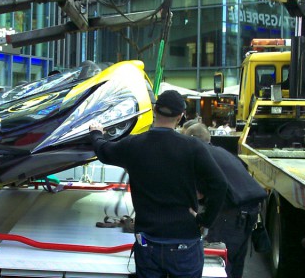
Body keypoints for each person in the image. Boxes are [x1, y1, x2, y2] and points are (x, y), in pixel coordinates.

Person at [89, 90, 227, 278]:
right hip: (184, 241)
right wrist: (204, 220)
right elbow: (220, 185)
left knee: (145, 248)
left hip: (146, 241)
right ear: (180, 117)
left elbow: (104, 151)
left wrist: (96, 133)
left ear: (154, 111)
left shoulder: (133, 144)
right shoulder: (193, 147)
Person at [184, 122, 267, 278]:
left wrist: (202, 219)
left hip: (232, 215)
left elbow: (199, 193)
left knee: (219, 261)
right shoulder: (221, 152)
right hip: (250, 211)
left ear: (192, 140)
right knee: (235, 262)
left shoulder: (200, 155)